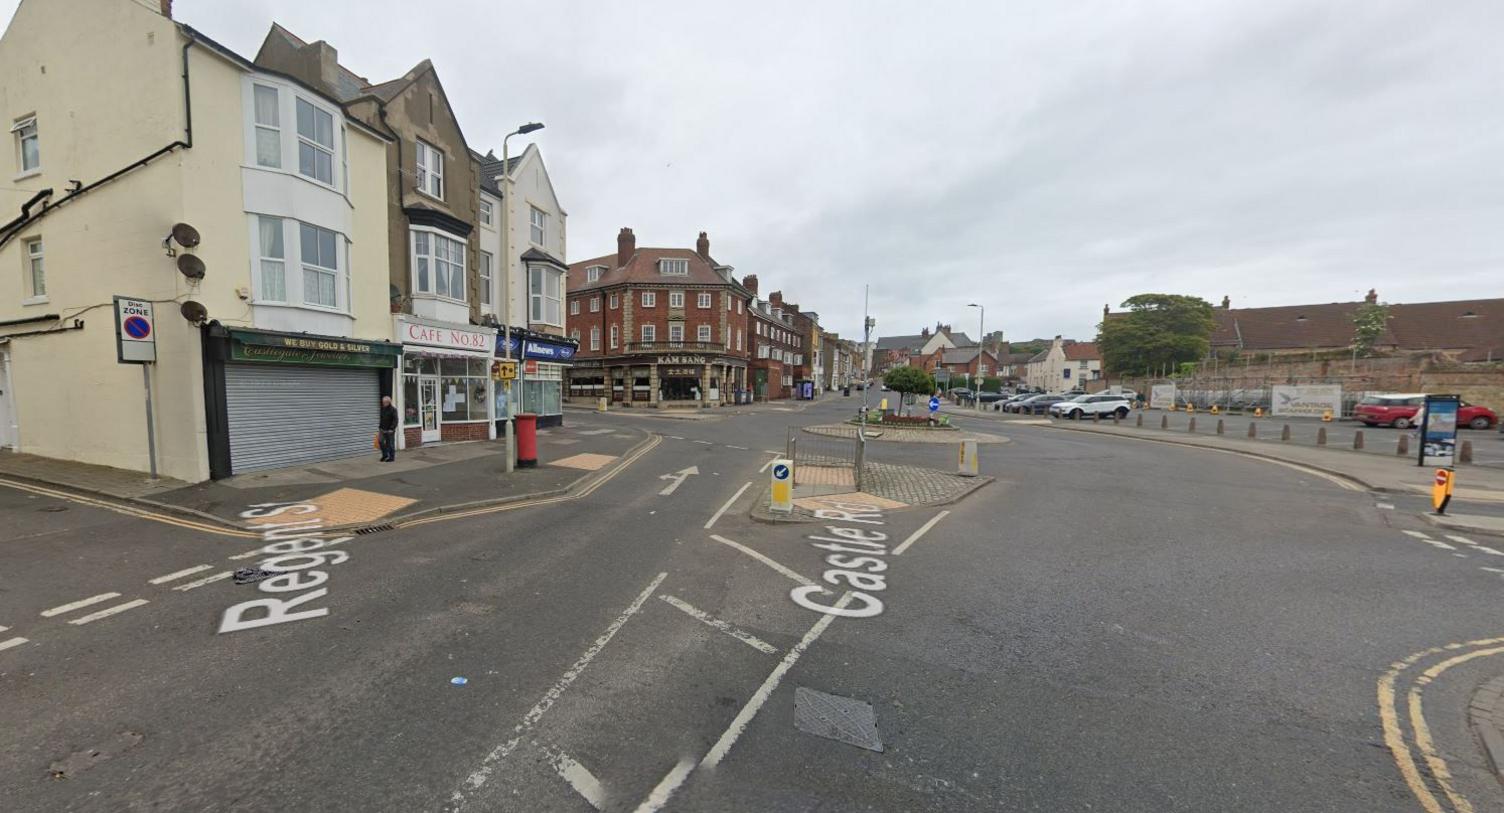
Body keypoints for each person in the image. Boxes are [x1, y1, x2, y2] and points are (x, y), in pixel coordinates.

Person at [378, 395, 398, 462]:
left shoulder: (393, 410)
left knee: (390, 444)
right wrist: (380, 427)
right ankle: (385, 455)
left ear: (388, 402)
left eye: (384, 402)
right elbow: (382, 419)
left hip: (389, 430)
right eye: (382, 402)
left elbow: (395, 420)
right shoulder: (383, 409)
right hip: (382, 429)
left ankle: (391, 457)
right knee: (380, 442)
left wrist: (392, 428)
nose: (383, 403)